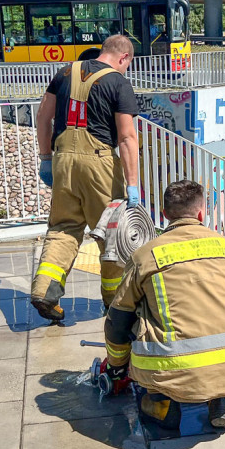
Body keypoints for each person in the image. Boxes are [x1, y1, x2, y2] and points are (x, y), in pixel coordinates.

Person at [101, 180, 225, 431]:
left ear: (164, 215)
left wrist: (117, 366)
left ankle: (161, 405)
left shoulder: (145, 256)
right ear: (201, 213)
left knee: (139, 317)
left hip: (168, 368)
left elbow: (118, 321)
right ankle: (223, 398)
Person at [31, 34, 142, 322]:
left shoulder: (65, 72)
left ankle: (45, 290)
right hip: (99, 165)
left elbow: (43, 116)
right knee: (114, 237)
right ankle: (116, 304)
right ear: (124, 58)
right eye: (127, 64)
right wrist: (132, 185)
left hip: (63, 162)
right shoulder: (118, 82)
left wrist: (45, 159)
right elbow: (127, 137)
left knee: (63, 228)